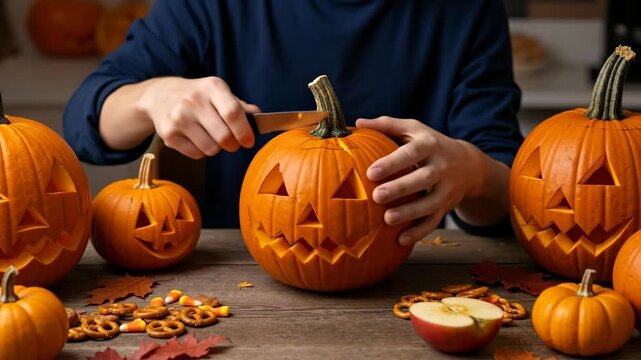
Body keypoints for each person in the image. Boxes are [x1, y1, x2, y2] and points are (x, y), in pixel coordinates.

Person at [63, 0, 523, 245]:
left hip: (406, 273)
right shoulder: (210, 4)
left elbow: (512, 197)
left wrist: (474, 173)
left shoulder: (468, 9)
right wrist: (152, 96)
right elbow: (84, 124)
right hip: (240, 272)